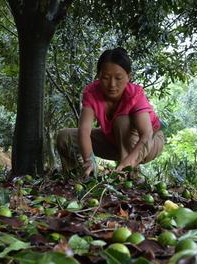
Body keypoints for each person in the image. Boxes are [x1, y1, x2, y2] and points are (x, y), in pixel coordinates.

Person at [56, 47, 165, 176]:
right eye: (106, 78)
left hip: (150, 142)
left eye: (118, 78)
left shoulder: (135, 94)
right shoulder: (92, 93)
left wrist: (127, 164)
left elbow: (146, 135)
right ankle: (81, 175)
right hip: (113, 141)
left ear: (128, 77)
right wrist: (89, 160)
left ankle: (129, 174)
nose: (112, 84)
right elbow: (84, 131)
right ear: (99, 76)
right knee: (64, 137)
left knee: (121, 120)